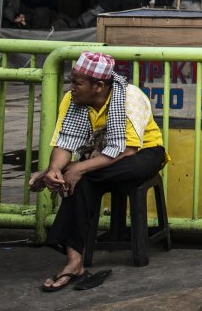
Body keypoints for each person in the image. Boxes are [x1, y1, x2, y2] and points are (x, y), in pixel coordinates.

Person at [30, 52, 168, 292]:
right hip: (99, 158)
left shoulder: (129, 96)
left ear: (99, 86)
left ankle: (73, 173)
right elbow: (65, 143)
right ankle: (74, 263)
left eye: (77, 83)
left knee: (85, 174)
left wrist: (78, 167)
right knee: (79, 181)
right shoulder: (72, 100)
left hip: (142, 153)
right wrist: (55, 169)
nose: (71, 88)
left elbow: (128, 151)